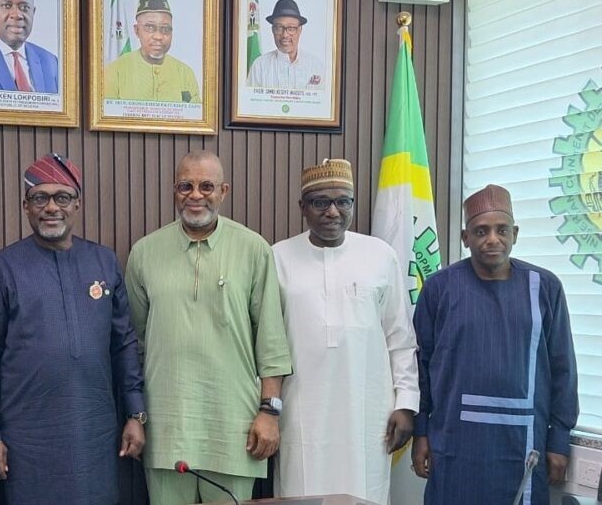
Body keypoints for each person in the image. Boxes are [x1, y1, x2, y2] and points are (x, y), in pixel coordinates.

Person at [0, 153, 146, 505]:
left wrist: (135, 413)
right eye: (40, 197)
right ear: (26, 206)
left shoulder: (103, 261)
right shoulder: (2, 268)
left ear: (77, 204)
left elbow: (124, 345)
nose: (51, 207)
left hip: (94, 432)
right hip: (27, 439)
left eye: (62, 197)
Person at [125, 150, 291, 504]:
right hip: (167, 426)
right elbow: (134, 344)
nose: (195, 195)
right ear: (174, 191)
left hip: (234, 427)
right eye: (186, 186)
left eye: (206, 186)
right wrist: (135, 414)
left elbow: (271, 341)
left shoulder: (253, 249)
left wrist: (270, 413)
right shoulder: (144, 253)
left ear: (224, 191)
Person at [412, 184, 578, 505]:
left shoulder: (544, 287)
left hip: (524, 443)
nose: (492, 239)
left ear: (514, 233)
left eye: (502, 230)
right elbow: (420, 367)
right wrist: (421, 432)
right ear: (465, 238)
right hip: (455, 442)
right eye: (481, 231)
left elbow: (563, 370)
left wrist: (559, 441)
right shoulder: (439, 288)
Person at [271, 159, 418, 504]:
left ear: (353, 203)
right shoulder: (277, 257)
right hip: (300, 415)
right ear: (303, 207)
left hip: (367, 415)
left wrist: (406, 403)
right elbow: (267, 345)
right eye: (321, 202)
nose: (333, 212)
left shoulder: (380, 255)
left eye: (343, 201)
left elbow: (400, 338)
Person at [103, 0, 201, 103]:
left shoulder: (185, 73)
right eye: (150, 27)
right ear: (137, 30)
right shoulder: (116, 71)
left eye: (165, 29)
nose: (158, 36)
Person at [247, 0, 325, 89]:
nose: (285, 35)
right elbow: (251, 102)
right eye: (279, 28)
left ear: (299, 30)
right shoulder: (259, 66)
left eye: (291, 28)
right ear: (273, 30)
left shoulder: (315, 65)